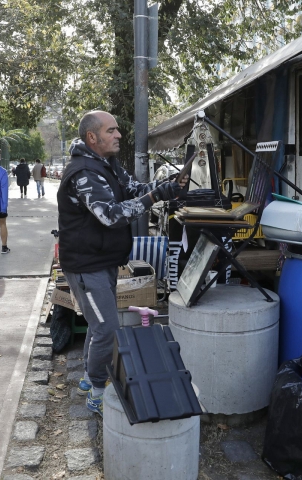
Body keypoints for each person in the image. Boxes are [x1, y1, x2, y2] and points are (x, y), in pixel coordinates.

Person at [57, 110, 184, 416]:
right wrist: (154, 198)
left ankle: (89, 378)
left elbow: (133, 190)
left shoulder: (107, 164)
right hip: (85, 266)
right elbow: (111, 215)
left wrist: (163, 188)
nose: (119, 135)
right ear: (92, 137)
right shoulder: (84, 173)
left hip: (103, 261)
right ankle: (98, 392)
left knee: (99, 322)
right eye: (111, 131)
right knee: (107, 329)